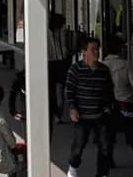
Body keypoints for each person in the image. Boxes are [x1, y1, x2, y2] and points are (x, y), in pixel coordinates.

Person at [65, 37, 115, 177]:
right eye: (93, 49)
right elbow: (70, 91)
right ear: (83, 52)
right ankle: (73, 168)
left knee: (105, 147)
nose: (96, 52)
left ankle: (102, 174)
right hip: (82, 116)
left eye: (97, 49)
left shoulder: (104, 70)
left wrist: (108, 108)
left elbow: (109, 90)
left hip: (100, 116)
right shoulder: (75, 69)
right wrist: (72, 108)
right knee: (78, 147)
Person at [101, 35, 133, 167]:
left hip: (108, 105)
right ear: (120, 49)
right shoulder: (126, 64)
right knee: (131, 134)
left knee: (109, 135)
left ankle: (109, 159)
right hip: (125, 103)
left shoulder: (101, 65)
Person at [48, 13, 70, 123]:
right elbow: (67, 48)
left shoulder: (46, 31)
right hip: (62, 63)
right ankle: (58, 116)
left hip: (49, 63)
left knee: (50, 90)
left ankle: (50, 112)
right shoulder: (63, 31)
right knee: (59, 90)